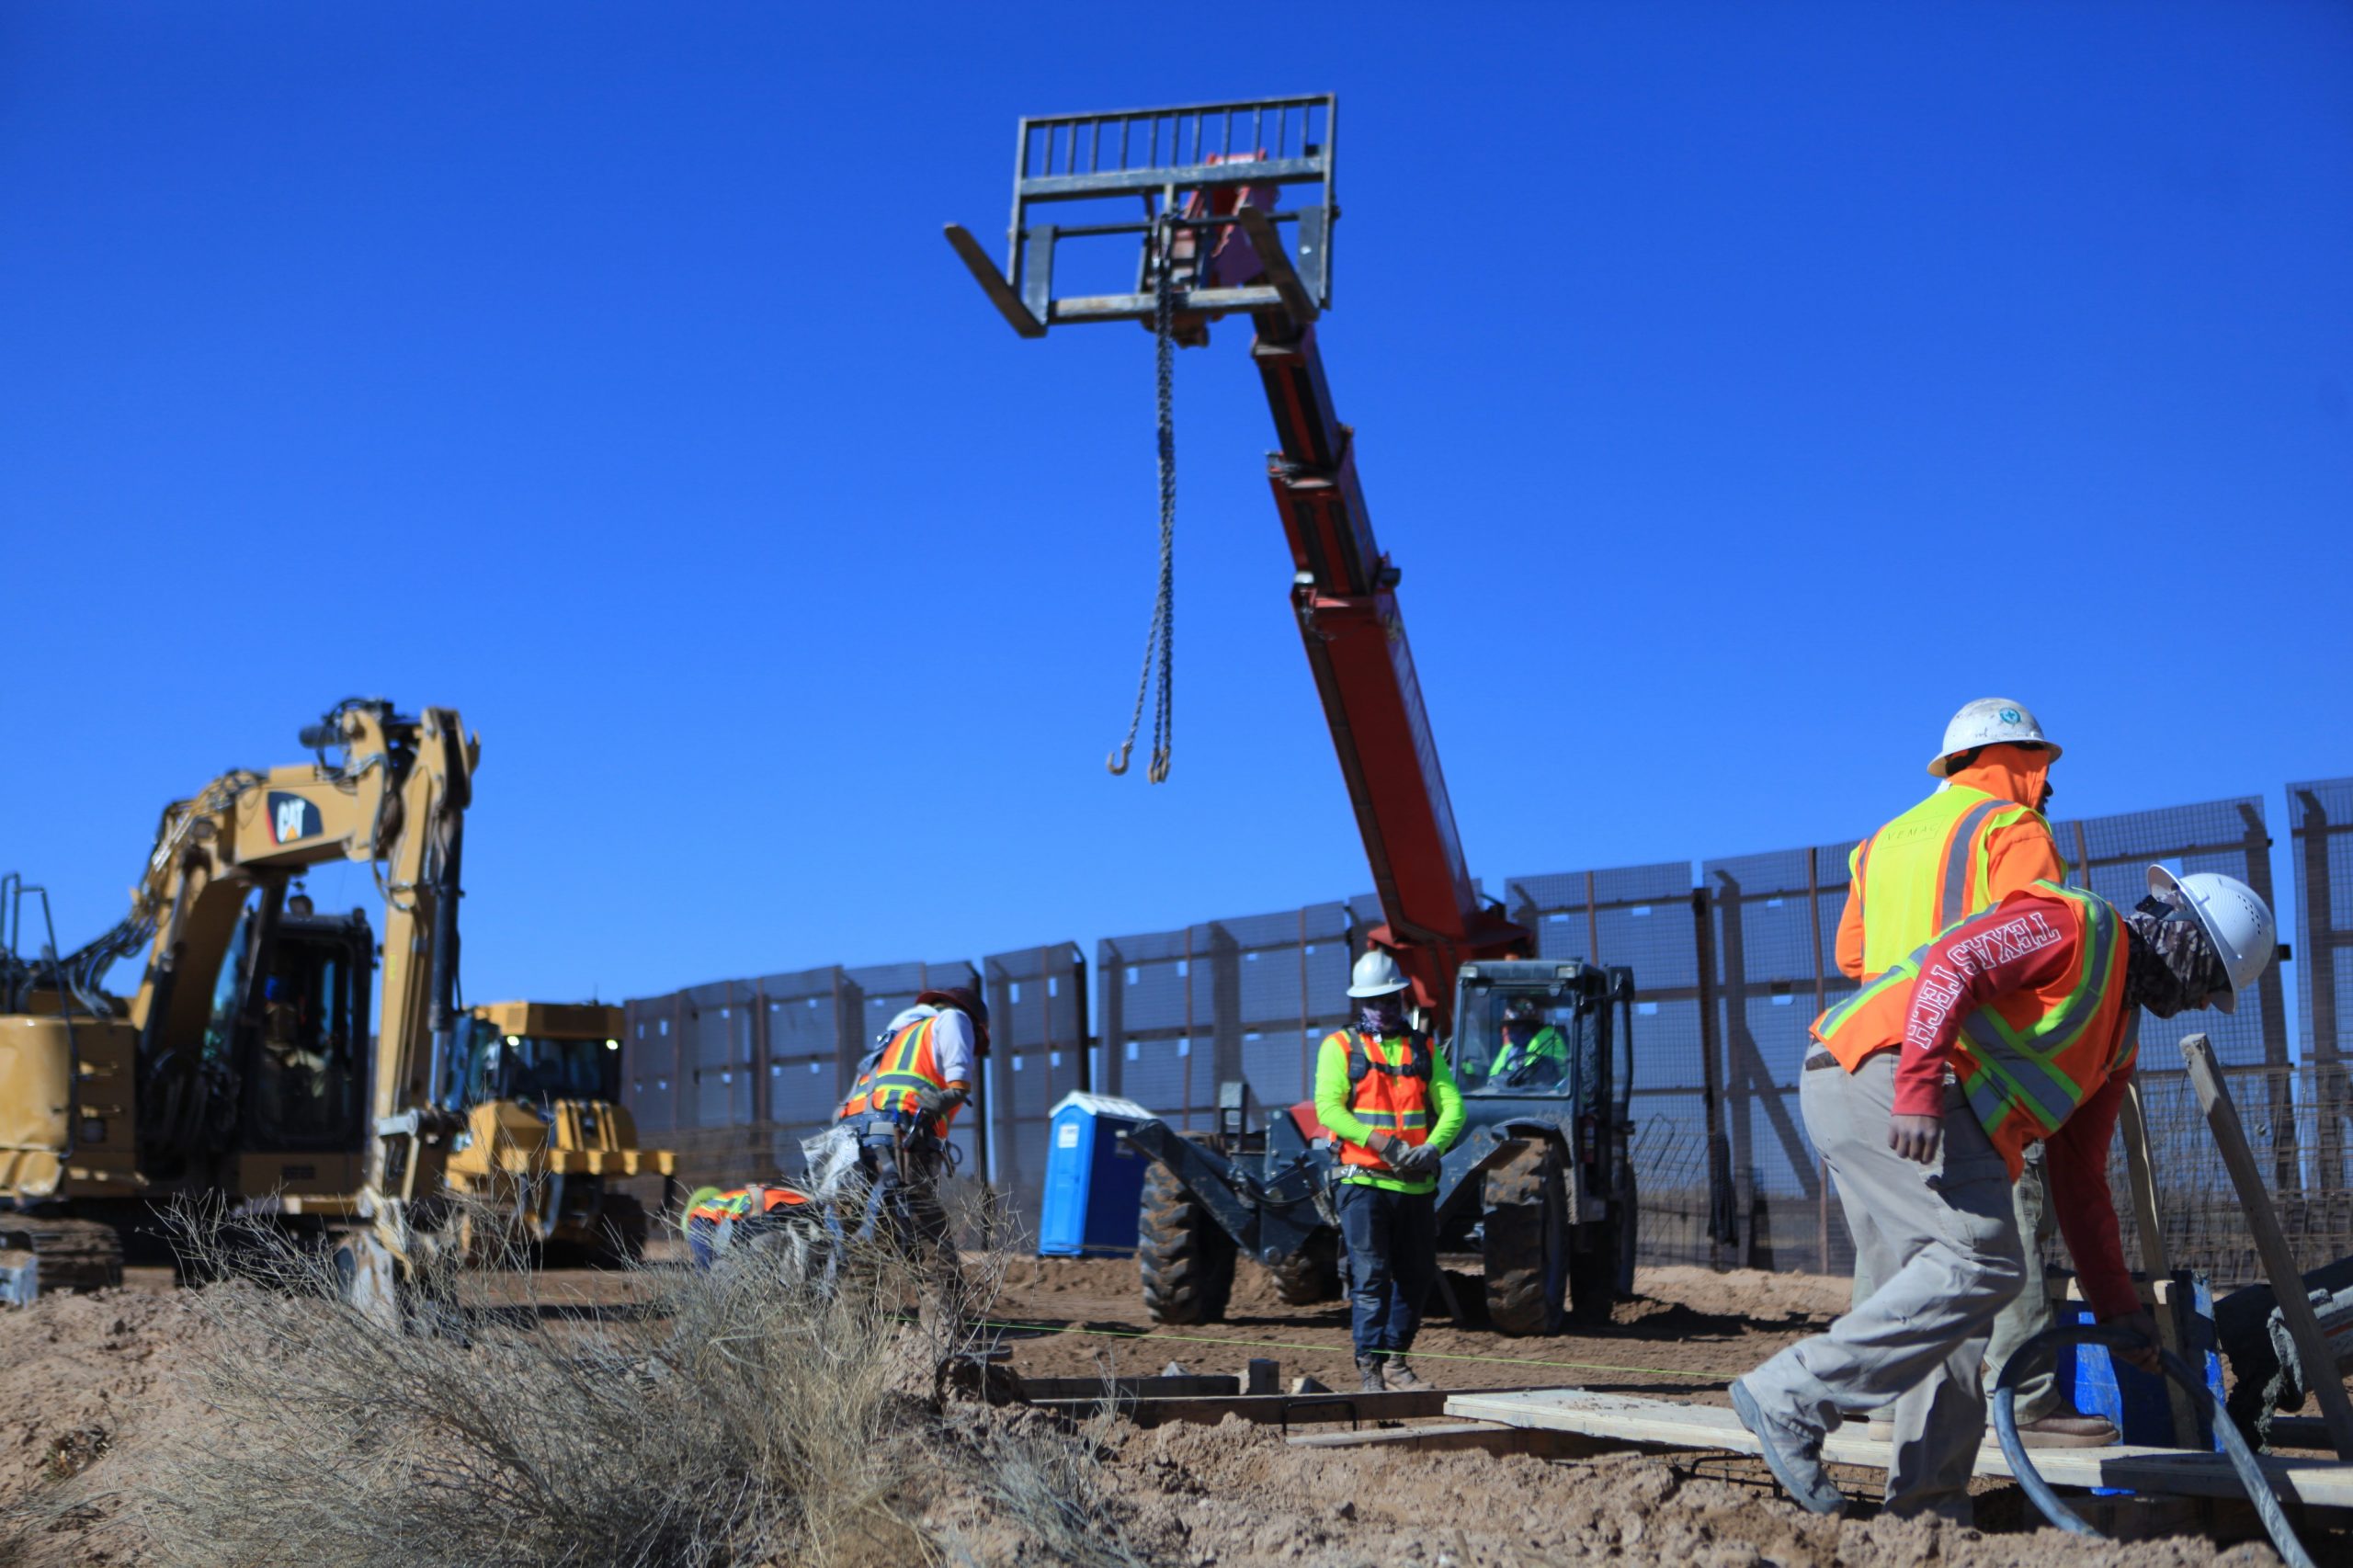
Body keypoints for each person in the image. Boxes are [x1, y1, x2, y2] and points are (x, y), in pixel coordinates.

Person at [1731, 867, 2276, 1521]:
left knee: (1953, 1306)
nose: (2201, 1002)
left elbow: (2081, 1183)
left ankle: (1927, 1517)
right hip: (1887, 1069)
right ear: (2183, 936)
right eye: (2210, 981)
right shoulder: (2078, 926)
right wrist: (1918, 1085)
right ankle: (1790, 1396)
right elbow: (1953, 963)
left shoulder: (2116, 1045)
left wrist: (2117, 1307)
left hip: (1872, 1084)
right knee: (1983, 1263)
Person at [1839, 698, 2109, 1447]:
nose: (2048, 783)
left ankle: (1885, 1402)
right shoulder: (2010, 828)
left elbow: (1853, 958)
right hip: (1971, 1064)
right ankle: (2026, 1403)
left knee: (1892, 1235)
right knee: (2001, 1223)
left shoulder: (1876, 844)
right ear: (2019, 761)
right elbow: (2040, 934)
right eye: (2041, 764)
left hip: (1880, 1060)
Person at [1313, 949, 1466, 1393]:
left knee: (1416, 1277)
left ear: (1401, 997)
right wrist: (1380, 1143)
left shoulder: (1423, 1047)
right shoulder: (1340, 1047)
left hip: (1414, 1186)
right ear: (1361, 1004)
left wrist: (1434, 1147)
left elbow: (1453, 1106)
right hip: (1362, 1183)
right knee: (1371, 1277)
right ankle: (1370, 1371)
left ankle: (1396, 1362)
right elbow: (1329, 1109)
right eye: (1375, 1001)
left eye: (1390, 999)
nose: (1384, 1008)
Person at [835, 985, 987, 1257]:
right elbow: (959, 1083)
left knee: (872, 1233)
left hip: (853, 1141)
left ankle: (859, 1285)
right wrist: (954, 1092)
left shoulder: (890, 1040)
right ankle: (946, 1287)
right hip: (902, 1136)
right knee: (927, 1230)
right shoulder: (954, 1018)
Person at [1491, 996, 1568, 1085]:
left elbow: (1542, 1075)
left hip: (1548, 1093)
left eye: (1518, 1025)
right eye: (1509, 1025)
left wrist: (1511, 1079)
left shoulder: (1550, 1037)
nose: (1512, 1030)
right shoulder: (1508, 1049)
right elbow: (1492, 1079)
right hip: (1513, 1094)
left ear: (1531, 1024)